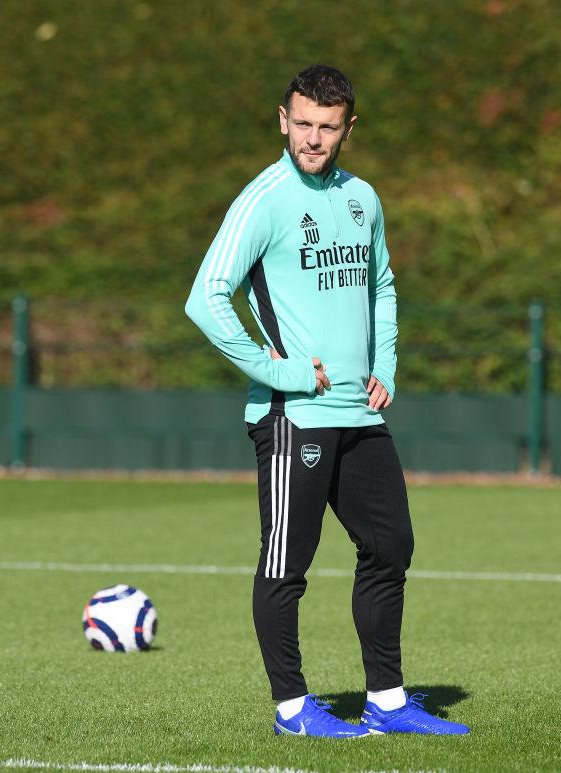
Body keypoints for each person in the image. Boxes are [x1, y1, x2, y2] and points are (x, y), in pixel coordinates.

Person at [184, 64, 468, 739]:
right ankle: (292, 710)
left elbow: (382, 284)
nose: (313, 138)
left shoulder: (362, 198)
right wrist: (271, 368)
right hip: (293, 417)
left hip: (359, 414)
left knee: (391, 545)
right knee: (287, 563)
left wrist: (385, 364)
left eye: (327, 127)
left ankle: (388, 700)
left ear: (349, 128)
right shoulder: (264, 199)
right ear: (283, 119)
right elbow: (207, 297)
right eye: (303, 123)